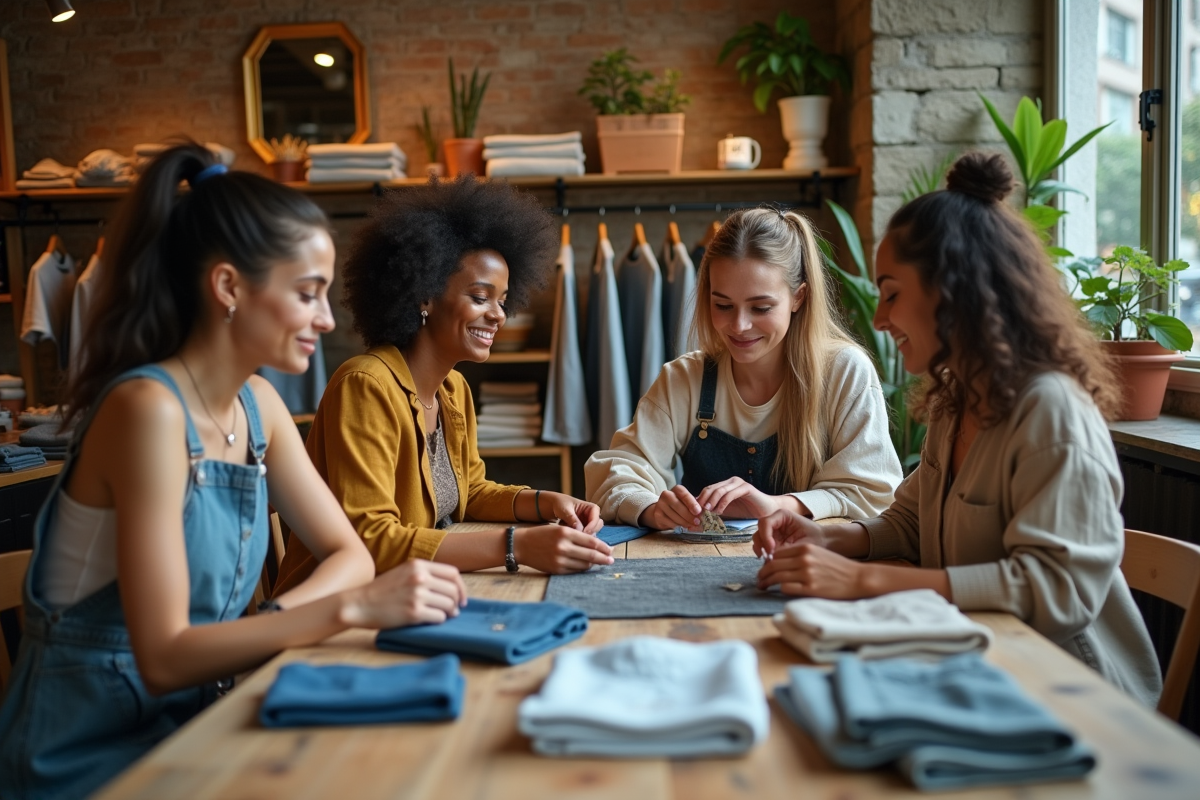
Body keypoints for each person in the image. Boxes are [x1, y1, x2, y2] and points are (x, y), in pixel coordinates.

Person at [0, 144, 468, 800]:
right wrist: (347, 609)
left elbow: (350, 554)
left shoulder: (259, 405)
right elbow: (163, 658)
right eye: (308, 294)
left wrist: (278, 615)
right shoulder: (148, 412)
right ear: (228, 287)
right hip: (86, 759)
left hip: (195, 725)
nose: (327, 319)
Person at [754, 153, 1162, 707]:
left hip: (1075, 697)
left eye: (892, 293)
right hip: (981, 669)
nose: (878, 319)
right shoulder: (955, 400)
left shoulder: (1051, 413)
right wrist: (833, 536)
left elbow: (1056, 591)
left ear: (953, 287)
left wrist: (863, 581)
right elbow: (911, 521)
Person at [274, 176, 612, 595]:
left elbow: (469, 491)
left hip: (414, 593)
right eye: (480, 296)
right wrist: (516, 545)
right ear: (425, 296)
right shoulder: (365, 385)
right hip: (333, 612)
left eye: (502, 300)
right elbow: (371, 540)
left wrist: (546, 502)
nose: (498, 316)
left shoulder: (453, 389)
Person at [584, 207, 902, 530]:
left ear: (799, 297)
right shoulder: (684, 379)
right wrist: (652, 508)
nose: (739, 325)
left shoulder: (846, 374)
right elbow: (614, 473)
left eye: (760, 307)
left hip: (810, 571)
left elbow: (875, 494)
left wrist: (778, 506)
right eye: (723, 305)